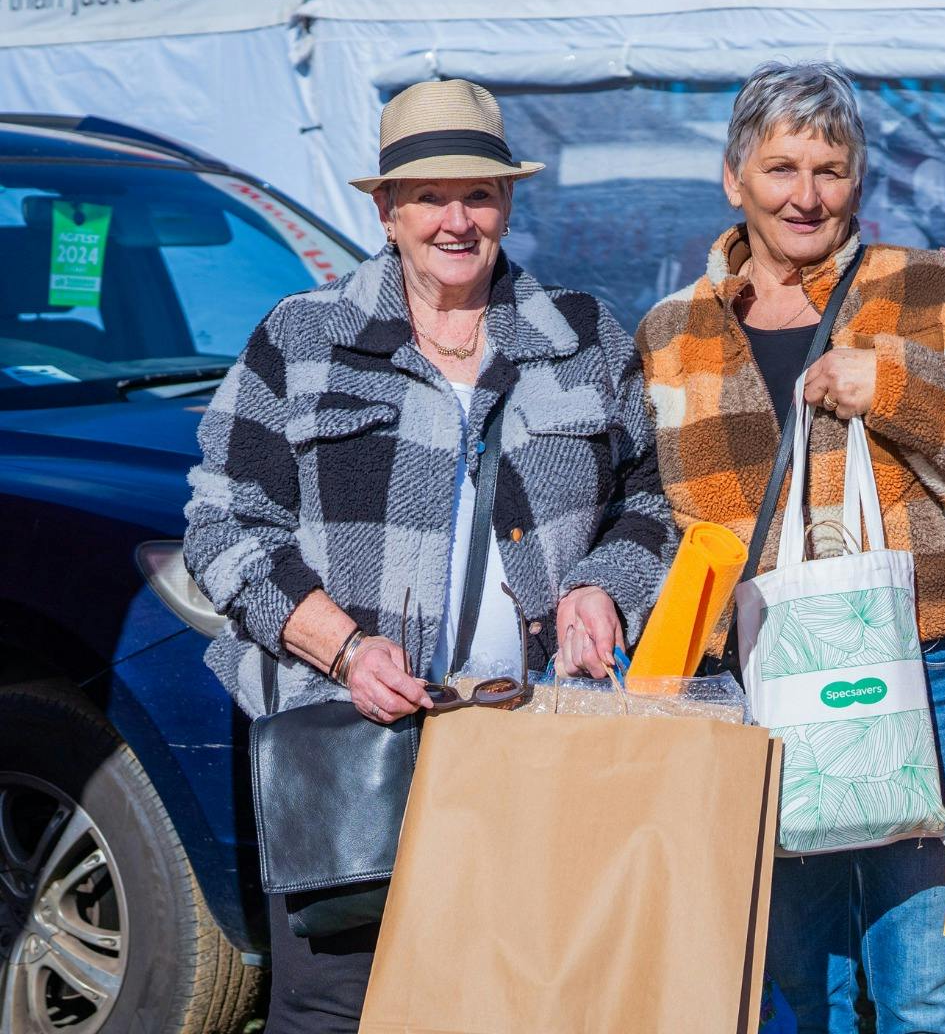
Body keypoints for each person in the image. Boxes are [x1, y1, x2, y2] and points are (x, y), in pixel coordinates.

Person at [184, 79, 676, 1032]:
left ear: (508, 203)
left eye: (480, 194)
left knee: (525, 996)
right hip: (351, 741)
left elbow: (650, 499)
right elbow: (224, 521)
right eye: (429, 196)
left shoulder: (581, 334)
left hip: (535, 741)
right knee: (338, 1005)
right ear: (386, 209)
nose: (457, 219)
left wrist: (602, 589)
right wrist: (341, 648)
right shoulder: (304, 338)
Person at [636, 61, 945, 1034]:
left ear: (859, 179)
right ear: (733, 178)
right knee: (793, 987)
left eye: (830, 168)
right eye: (780, 168)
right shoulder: (670, 332)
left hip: (930, 666)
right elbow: (660, 518)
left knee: (922, 991)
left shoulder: (928, 290)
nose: (806, 195)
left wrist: (899, 388)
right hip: (762, 683)